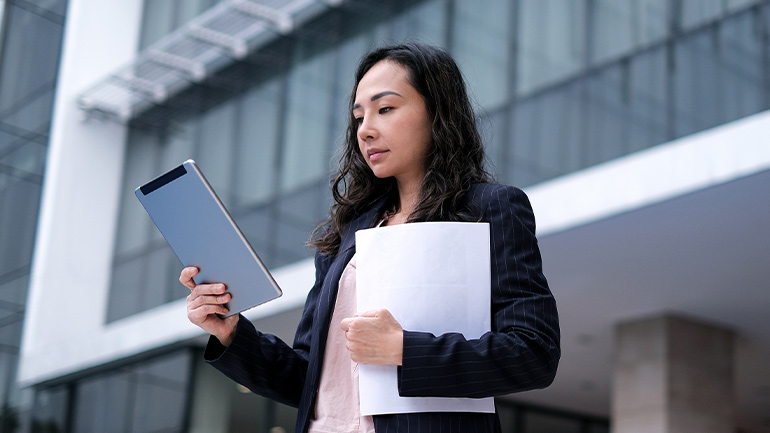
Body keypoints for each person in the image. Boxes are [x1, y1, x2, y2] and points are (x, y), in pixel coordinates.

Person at [182, 41, 560, 433]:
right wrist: (230, 333)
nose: (366, 130)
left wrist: (403, 350)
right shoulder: (348, 233)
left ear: (437, 112)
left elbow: (535, 353)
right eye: (359, 116)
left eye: (386, 109)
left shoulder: (489, 209)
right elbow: (310, 381)